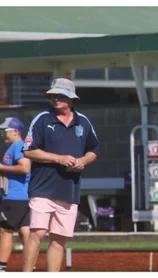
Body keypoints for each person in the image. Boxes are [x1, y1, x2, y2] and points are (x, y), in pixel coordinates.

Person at [21, 78, 99, 272]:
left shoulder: (84, 121)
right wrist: (59, 158)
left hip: (69, 190)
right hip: (42, 188)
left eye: (60, 96)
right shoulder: (42, 119)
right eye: (53, 96)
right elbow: (28, 150)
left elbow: (94, 149)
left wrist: (83, 160)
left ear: (71, 98)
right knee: (37, 233)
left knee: (58, 240)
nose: (55, 99)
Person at [0, 117, 31, 272]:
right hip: (23, 197)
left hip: (13, 197)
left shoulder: (18, 146)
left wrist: (1, 167)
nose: (3, 134)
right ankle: (29, 267)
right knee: (25, 231)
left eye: (6, 131)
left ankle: (1, 268)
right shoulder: (19, 146)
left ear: (15, 132)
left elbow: (24, 168)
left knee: (5, 231)